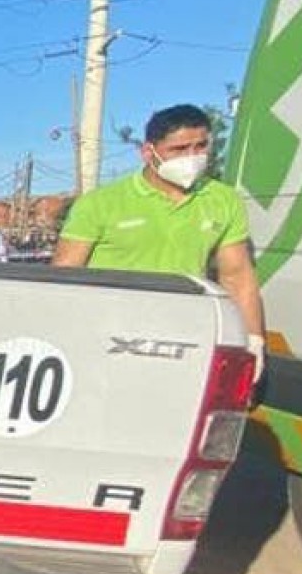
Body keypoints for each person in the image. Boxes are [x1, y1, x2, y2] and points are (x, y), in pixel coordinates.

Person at [53, 104, 267, 373]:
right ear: (148, 152)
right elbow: (64, 276)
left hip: (184, 337)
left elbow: (237, 277)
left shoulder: (224, 200)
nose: (192, 157)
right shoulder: (99, 204)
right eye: (179, 149)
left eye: (200, 146)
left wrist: (253, 341)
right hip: (111, 336)